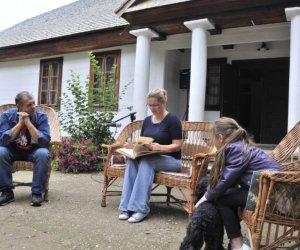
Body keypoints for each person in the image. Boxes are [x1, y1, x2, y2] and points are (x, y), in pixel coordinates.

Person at [195, 117, 282, 250]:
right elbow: (230, 179)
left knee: (222, 199)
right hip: (273, 192)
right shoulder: (241, 145)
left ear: (220, 137)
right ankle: (237, 242)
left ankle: (238, 245)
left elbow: (225, 181)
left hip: (272, 197)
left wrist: (204, 198)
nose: (212, 142)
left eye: (212, 138)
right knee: (226, 195)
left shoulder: (234, 149)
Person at [118, 88, 183, 223]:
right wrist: (133, 146)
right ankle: (126, 207)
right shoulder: (147, 120)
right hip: (150, 156)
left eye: (155, 105)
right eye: (150, 105)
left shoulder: (173, 120)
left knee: (147, 162)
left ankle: (140, 209)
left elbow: (178, 145)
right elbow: (144, 142)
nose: (152, 108)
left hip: (171, 160)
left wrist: (161, 147)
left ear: (164, 103)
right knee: (132, 160)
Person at [0, 91, 50, 206]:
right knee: (0, 151)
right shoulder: (7, 116)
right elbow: (2, 141)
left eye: (34, 103)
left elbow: (44, 143)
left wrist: (28, 123)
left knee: (43, 153)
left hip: (34, 151)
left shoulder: (41, 117)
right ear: (19, 107)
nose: (34, 107)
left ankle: (37, 193)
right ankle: (6, 192)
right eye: (29, 105)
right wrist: (19, 124)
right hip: (12, 150)